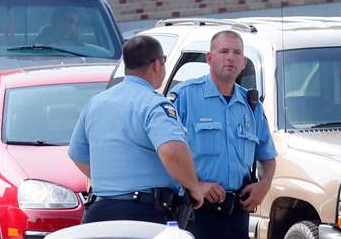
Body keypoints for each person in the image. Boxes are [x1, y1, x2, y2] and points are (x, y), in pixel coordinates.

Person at [170, 30, 277, 239]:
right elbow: (165, 154)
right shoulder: (185, 97)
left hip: (235, 215)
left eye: (237, 53)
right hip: (196, 213)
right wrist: (196, 185)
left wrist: (263, 186)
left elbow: (268, 156)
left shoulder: (250, 104)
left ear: (243, 63)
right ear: (209, 58)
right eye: (224, 51)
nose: (231, 58)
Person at [68, 35, 224, 224]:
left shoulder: (96, 103)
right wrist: (194, 187)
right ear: (157, 65)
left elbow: (77, 154)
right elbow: (173, 151)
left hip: (99, 212)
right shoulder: (154, 104)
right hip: (143, 214)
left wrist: (115, 184)